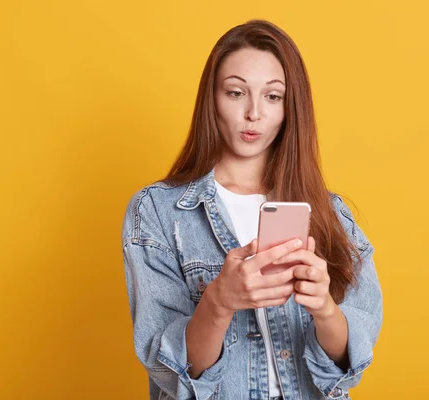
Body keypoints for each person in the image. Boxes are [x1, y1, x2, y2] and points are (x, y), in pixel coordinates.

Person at [121, 19, 383, 400]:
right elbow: (173, 372)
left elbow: (351, 361)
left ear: (290, 107)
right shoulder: (159, 212)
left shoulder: (330, 213)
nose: (254, 113)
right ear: (212, 99)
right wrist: (219, 300)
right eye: (236, 92)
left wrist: (325, 309)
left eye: (272, 96)